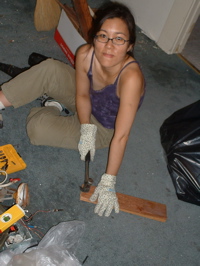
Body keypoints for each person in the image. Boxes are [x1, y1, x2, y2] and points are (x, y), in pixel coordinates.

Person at [0, 2, 145, 217]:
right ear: (94, 36)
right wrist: (84, 125)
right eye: (103, 36)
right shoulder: (86, 53)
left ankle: (52, 105)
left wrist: (108, 180)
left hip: (104, 127)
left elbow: (122, 136)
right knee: (49, 68)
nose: (109, 46)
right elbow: (83, 95)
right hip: (84, 102)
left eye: (119, 39)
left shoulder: (131, 78)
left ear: (130, 45)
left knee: (37, 130)